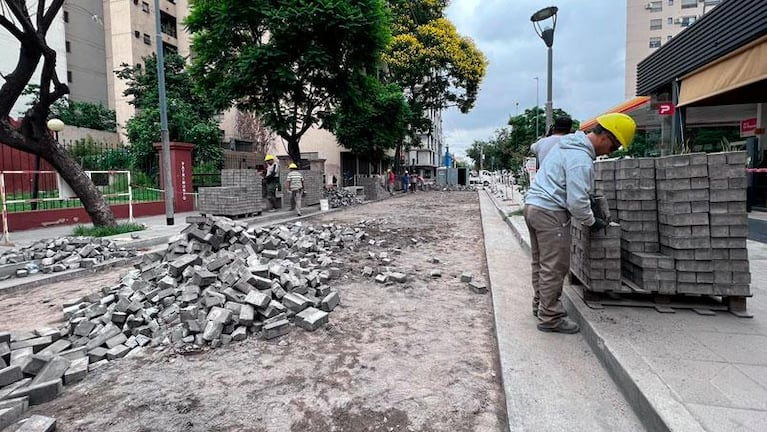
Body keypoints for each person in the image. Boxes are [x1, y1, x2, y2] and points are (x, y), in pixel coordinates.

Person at [524, 113, 636, 334]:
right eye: (613, 147)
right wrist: (592, 221)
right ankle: (550, 317)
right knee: (555, 267)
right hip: (550, 213)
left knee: (541, 263)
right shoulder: (580, 158)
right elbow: (576, 201)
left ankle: (541, 306)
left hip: (534, 207)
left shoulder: (566, 146)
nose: (609, 152)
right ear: (605, 137)